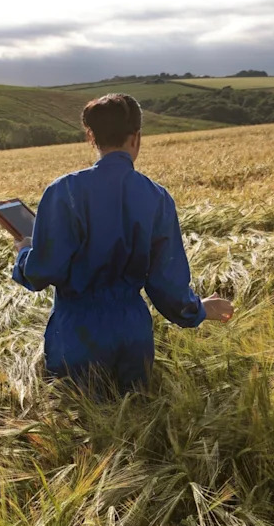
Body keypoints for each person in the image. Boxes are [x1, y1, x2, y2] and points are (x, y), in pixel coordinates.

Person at [12, 93, 234, 394]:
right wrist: (199, 309)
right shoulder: (157, 198)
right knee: (134, 426)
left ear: (91, 136)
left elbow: (41, 272)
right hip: (133, 336)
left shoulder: (64, 191)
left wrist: (25, 253)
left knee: (80, 430)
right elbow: (167, 285)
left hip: (76, 336)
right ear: (137, 138)